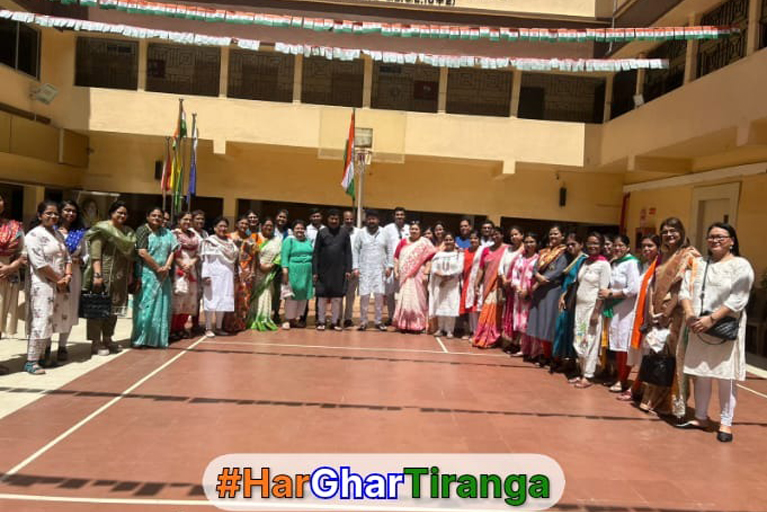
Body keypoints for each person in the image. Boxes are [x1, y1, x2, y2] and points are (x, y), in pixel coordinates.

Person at [677, 223, 753, 443]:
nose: (715, 240)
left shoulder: (741, 265)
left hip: (724, 325)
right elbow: (685, 291)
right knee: (701, 374)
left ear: (732, 241)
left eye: (721, 236)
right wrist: (690, 314)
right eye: (711, 236)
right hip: (697, 325)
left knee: (725, 376)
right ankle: (700, 417)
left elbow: (738, 298)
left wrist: (711, 319)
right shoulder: (698, 263)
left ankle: (725, 422)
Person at [637, 217, 700, 419]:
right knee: (656, 352)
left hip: (676, 314)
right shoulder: (663, 255)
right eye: (664, 231)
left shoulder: (689, 255)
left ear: (681, 232)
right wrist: (650, 310)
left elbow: (684, 287)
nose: (669, 235)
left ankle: (670, 402)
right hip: (656, 312)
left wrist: (667, 313)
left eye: (673, 230)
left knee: (671, 357)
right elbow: (653, 283)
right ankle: (651, 397)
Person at [23, 201, 71, 375]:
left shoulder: (58, 234)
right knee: (41, 319)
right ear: (39, 215)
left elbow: (67, 258)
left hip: (60, 284)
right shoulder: (33, 235)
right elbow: (39, 263)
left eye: (56, 213)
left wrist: (67, 276)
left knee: (53, 319)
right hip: (42, 284)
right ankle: (32, 360)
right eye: (48, 213)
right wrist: (59, 280)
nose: (53, 216)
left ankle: (45, 357)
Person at [83, 201, 136, 356]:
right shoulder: (102, 229)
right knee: (98, 308)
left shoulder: (128, 232)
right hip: (103, 274)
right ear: (111, 213)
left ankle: (107, 338)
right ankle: (95, 343)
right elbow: (95, 254)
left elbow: (130, 257)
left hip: (120, 277)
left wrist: (130, 274)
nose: (122, 216)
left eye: (125, 213)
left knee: (113, 309)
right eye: (119, 212)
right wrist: (97, 275)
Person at [570, 233, 612, 389]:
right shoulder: (585, 261)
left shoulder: (604, 265)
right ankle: (582, 371)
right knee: (579, 338)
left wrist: (596, 312)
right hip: (580, 308)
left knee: (591, 340)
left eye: (596, 243)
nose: (592, 246)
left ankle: (588, 375)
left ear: (601, 245)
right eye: (590, 243)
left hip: (592, 308)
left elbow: (603, 290)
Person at [600, 234, 640, 393]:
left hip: (626, 309)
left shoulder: (632, 263)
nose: (617, 248)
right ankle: (618, 375)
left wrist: (612, 294)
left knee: (624, 345)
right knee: (616, 344)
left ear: (628, 248)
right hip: (614, 309)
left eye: (621, 245)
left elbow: (633, 288)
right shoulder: (614, 262)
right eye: (615, 245)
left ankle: (622, 379)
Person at [132, 207, 177, 349]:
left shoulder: (167, 233)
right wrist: (157, 268)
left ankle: (158, 339)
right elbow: (142, 252)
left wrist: (166, 267)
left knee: (162, 306)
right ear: (147, 216)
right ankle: (141, 339)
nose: (157, 218)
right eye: (154, 215)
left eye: (159, 216)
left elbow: (173, 250)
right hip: (147, 274)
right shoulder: (142, 231)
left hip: (163, 276)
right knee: (145, 307)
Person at [624, 235, 661, 402]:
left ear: (658, 248)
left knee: (648, 353)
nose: (646, 249)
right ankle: (638, 386)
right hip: (639, 314)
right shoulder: (643, 266)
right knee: (640, 353)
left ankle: (638, 388)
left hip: (652, 316)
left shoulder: (660, 266)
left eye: (650, 246)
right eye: (644, 246)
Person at [526, 225, 568, 367]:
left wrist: (541, 280)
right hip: (541, 291)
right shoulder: (544, 252)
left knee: (551, 323)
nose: (553, 236)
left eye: (556, 234)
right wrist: (537, 275)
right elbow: (535, 268)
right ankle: (545, 354)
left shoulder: (564, 253)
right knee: (541, 322)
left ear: (562, 236)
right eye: (551, 234)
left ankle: (554, 357)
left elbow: (558, 271)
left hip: (553, 290)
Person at [51, 200, 87, 364]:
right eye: (67, 210)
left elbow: (86, 254)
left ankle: (62, 346)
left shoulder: (80, 233)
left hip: (73, 275)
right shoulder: (51, 231)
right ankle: (46, 346)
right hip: (53, 274)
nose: (70, 214)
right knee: (52, 307)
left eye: (73, 211)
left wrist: (79, 260)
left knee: (69, 308)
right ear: (59, 211)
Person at [551, 233, 586, 368]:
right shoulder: (571, 258)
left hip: (572, 298)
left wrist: (565, 295)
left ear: (581, 245)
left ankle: (572, 361)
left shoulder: (583, 260)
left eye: (573, 244)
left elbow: (578, 281)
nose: (570, 247)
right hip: (566, 297)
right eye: (568, 245)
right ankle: (565, 359)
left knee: (571, 327)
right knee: (563, 326)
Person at [393, 222, 435, 333]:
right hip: (405, 275)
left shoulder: (425, 243)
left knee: (419, 300)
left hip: (419, 274)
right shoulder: (403, 242)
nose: (414, 231)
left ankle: (418, 324)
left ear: (420, 231)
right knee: (405, 301)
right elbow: (396, 257)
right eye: (412, 229)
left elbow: (430, 259)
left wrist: (426, 273)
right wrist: (396, 271)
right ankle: (403, 324)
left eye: (416, 229)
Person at [353, 210, 392, 331]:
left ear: (378, 220)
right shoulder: (361, 233)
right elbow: (355, 250)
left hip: (380, 269)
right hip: (364, 269)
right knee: (364, 296)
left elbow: (390, 250)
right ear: (366, 220)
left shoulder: (384, 232)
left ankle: (378, 321)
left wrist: (389, 266)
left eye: (374, 219)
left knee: (379, 296)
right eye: (369, 219)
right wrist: (355, 267)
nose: (371, 221)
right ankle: (363, 321)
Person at [313, 209, 351, 331]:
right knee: (322, 297)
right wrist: (315, 271)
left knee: (337, 298)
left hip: (339, 270)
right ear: (327, 219)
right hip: (323, 270)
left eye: (336, 219)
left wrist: (348, 269)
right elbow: (316, 253)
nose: (334, 221)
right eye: (331, 218)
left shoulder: (344, 233)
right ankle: (321, 321)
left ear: (339, 220)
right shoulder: (322, 233)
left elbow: (348, 253)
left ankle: (335, 322)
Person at [472, 225, 509, 348]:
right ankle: (484, 335)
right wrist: (476, 283)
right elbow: (481, 268)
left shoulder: (507, 249)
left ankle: (493, 337)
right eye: (493, 234)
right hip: (487, 284)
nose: (494, 236)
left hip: (500, 285)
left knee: (496, 311)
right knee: (486, 310)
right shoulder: (486, 250)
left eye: (497, 234)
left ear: (502, 235)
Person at [200, 217, 238, 337]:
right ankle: (208, 328)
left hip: (227, 276)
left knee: (223, 301)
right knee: (210, 301)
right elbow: (205, 260)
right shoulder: (209, 241)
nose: (223, 228)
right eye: (220, 226)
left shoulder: (230, 242)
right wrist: (205, 275)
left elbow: (234, 259)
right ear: (215, 228)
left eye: (225, 226)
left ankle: (218, 327)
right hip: (213, 276)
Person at [0, 193, 25, 374]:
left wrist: (11, 267)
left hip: (8, 276)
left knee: (1, 318)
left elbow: (23, 252)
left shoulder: (14, 227)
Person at [224, 215, 262, 333]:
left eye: (246, 224)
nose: (244, 226)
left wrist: (252, 271)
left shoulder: (251, 239)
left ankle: (239, 324)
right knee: (231, 297)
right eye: (242, 223)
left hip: (246, 272)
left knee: (244, 299)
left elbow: (254, 256)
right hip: (232, 271)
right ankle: (226, 324)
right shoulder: (229, 237)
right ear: (236, 224)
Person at [170, 212, 201, 341]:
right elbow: (172, 251)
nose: (187, 222)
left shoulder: (194, 235)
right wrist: (182, 264)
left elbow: (199, 252)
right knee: (178, 299)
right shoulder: (174, 234)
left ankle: (181, 327)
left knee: (189, 300)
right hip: (178, 270)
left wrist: (191, 263)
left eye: (189, 220)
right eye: (185, 219)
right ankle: (172, 329)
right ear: (179, 220)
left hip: (191, 269)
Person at [247, 218, 281, 331]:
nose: (269, 227)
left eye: (271, 226)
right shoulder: (255, 237)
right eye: (266, 225)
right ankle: (252, 318)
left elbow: (280, 256)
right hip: (256, 271)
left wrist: (271, 266)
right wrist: (259, 266)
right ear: (261, 226)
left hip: (270, 273)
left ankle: (264, 318)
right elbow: (251, 254)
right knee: (255, 295)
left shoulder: (277, 240)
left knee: (266, 294)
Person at [511, 233, 541, 359]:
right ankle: (523, 349)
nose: (529, 244)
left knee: (530, 322)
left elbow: (536, 278)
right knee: (521, 321)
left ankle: (534, 351)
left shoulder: (539, 259)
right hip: (519, 294)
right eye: (527, 242)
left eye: (532, 242)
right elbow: (514, 274)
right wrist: (518, 288)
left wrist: (528, 291)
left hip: (532, 295)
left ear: (537, 244)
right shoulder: (520, 258)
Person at [281, 220, 314, 329]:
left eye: (302, 228)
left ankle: (295, 318)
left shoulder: (307, 241)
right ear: (293, 230)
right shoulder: (289, 240)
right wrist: (285, 270)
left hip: (306, 272)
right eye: (297, 228)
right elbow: (284, 256)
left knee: (303, 296)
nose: (300, 230)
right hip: (293, 271)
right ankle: (288, 319)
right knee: (291, 295)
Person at [429, 232, 464, 338]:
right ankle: (440, 328)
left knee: (451, 305)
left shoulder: (458, 255)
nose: (448, 242)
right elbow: (433, 268)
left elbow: (459, 269)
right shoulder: (439, 255)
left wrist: (447, 278)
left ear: (454, 241)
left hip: (452, 284)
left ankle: (449, 330)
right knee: (440, 304)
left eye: (450, 240)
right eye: (446, 240)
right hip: (440, 283)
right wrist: (442, 277)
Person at [499, 225, 524, 348]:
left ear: (522, 235)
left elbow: (521, 270)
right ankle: (508, 340)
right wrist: (504, 279)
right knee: (508, 313)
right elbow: (501, 266)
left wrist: (510, 281)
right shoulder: (507, 249)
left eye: (516, 234)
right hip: (506, 286)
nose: (514, 237)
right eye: (512, 235)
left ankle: (517, 342)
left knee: (517, 314)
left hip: (517, 287)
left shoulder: (524, 251)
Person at [383, 207, 408, 324]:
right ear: (394, 216)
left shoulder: (409, 229)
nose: (399, 217)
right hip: (391, 265)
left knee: (404, 293)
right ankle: (391, 316)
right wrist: (386, 265)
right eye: (397, 215)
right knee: (389, 293)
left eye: (402, 215)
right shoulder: (387, 229)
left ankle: (401, 317)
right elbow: (383, 247)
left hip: (405, 266)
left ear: (404, 216)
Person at [459, 231, 482, 340]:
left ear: (479, 240)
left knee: (476, 308)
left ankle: (478, 332)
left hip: (479, 282)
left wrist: (478, 282)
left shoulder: (483, 251)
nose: (473, 240)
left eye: (475, 238)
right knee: (469, 309)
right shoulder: (465, 251)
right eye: (471, 238)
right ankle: (471, 331)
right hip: (467, 282)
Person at [190, 209, 208, 336]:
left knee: (200, 296)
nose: (200, 221)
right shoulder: (190, 233)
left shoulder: (205, 233)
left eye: (202, 219)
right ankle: (191, 324)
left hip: (203, 268)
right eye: (197, 219)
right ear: (192, 220)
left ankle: (196, 323)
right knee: (192, 297)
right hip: (191, 267)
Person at [272, 209, 291, 323]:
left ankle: (276, 312)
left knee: (279, 291)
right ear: (276, 217)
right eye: (280, 216)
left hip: (282, 265)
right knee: (268, 290)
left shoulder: (289, 232)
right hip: (269, 264)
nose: (281, 219)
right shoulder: (270, 229)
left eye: (284, 217)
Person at [342, 210, 359, 328]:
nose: (349, 221)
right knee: (338, 295)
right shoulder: (338, 231)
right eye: (347, 219)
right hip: (339, 269)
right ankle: (337, 317)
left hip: (354, 268)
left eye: (351, 219)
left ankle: (348, 318)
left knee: (350, 295)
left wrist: (357, 267)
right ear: (343, 219)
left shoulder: (359, 232)